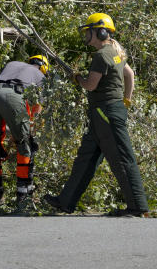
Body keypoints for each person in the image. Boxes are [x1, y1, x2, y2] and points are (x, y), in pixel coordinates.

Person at [44, 12, 149, 217]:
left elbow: (91, 86)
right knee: (86, 157)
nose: (86, 36)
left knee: (122, 158)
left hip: (106, 112)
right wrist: (126, 99)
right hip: (106, 112)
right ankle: (66, 201)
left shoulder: (102, 56)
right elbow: (130, 74)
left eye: (89, 32)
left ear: (101, 32)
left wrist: (77, 79)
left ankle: (137, 206)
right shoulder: (116, 51)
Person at [0, 54, 50, 210]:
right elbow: (36, 113)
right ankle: (23, 197)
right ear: (44, 68)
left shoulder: (13, 64)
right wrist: (21, 134)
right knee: (25, 145)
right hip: (13, 96)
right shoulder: (40, 76)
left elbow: (1, 95)